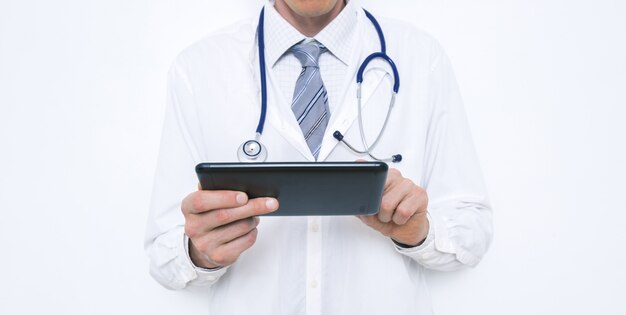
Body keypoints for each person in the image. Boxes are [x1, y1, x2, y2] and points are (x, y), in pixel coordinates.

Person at [145, 0, 493, 314]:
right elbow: (164, 253)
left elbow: (472, 230)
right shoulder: (199, 68)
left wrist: (420, 231)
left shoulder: (421, 57)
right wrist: (200, 252)